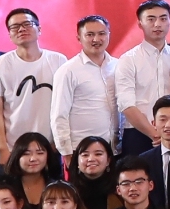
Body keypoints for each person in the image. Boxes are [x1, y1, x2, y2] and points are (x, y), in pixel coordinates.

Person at [0, 7, 65, 166]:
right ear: (9, 35)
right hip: (13, 148)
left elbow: (65, 104)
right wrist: (3, 148)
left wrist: (59, 142)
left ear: (39, 29)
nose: (21, 29)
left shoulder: (59, 61)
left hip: (50, 146)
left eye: (27, 24)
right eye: (15, 27)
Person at [113, 0, 170, 156]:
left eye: (163, 19)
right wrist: (154, 133)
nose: (157, 24)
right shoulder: (128, 60)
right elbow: (126, 104)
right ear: (140, 23)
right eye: (151, 19)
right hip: (138, 133)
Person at [51, 16, 120, 157]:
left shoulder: (118, 66)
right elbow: (59, 115)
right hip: (80, 151)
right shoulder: (68, 71)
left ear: (109, 35)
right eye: (90, 35)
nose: (96, 39)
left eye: (102, 33)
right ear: (79, 38)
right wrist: (66, 152)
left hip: (115, 148)